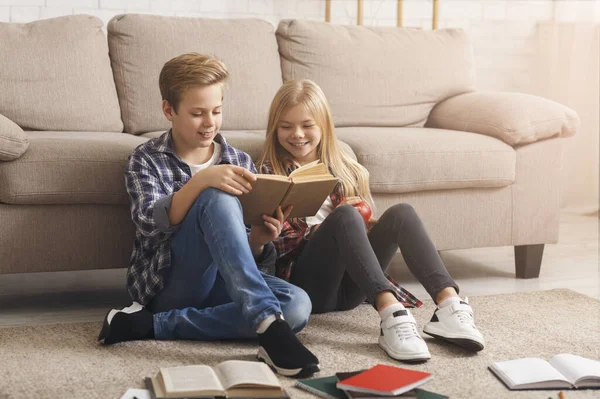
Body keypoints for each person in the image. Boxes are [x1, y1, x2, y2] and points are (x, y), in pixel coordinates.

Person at [97, 54, 319, 378]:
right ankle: (268, 325)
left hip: (224, 283)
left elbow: (240, 256)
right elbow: (149, 224)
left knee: (297, 305)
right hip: (171, 284)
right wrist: (201, 182)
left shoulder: (238, 159)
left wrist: (257, 241)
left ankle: (150, 325)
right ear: (169, 110)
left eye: (216, 111)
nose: (210, 122)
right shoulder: (145, 159)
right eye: (197, 113)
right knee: (214, 195)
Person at [257, 79, 485, 362]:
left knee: (402, 213)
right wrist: (324, 229)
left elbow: (359, 239)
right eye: (286, 126)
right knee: (345, 215)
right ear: (274, 128)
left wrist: (362, 227)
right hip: (310, 287)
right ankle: (391, 314)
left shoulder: (346, 169)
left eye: (307, 125)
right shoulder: (268, 173)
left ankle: (449, 304)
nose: (298, 134)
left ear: (324, 126)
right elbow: (271, 252)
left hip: (354, 289)